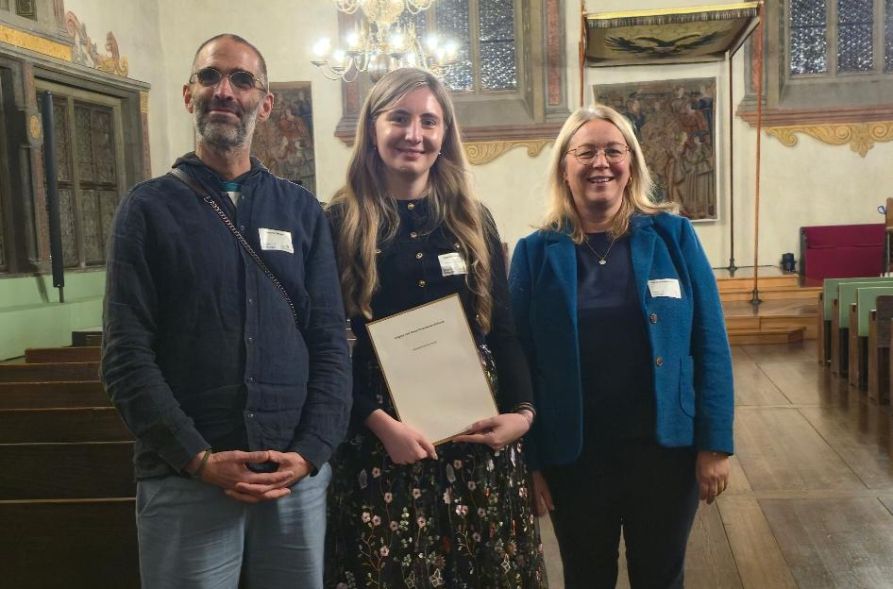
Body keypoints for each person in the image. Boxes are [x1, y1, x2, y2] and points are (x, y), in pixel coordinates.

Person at [101, 34, 351, 588]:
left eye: (242, 80)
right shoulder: (147, 209)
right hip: (186, 479)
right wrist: (197, 458)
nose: (225, 91)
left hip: (292, 481)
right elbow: (125, 356)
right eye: (211, 77)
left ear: (265, 103)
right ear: (189, 95)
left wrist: (310, 453)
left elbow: (331, 341)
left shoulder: (302, 210)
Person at [324, 67, 547, 589]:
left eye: (429, 120)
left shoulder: (473, 219)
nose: (414, 134)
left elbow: (503, 330)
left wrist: (523, 413)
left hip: (478, 446)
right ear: (372, 128)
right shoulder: (337, 222)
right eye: (398, 118)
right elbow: (328, 346)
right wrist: (379, 424)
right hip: (382, 447)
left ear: (445, 133)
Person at [509, 104, 734, 589]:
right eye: (586, 151)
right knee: (586, 577)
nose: (601, 163)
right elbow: (519, 360)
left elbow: (710, 341)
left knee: (660, 576)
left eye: (614, 150)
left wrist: (714, 444)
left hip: (664, 453)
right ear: (565, 166)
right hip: (575, 457)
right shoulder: (534, 253)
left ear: (631, 162)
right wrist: (530, 463)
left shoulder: (674, 237)